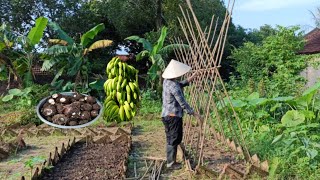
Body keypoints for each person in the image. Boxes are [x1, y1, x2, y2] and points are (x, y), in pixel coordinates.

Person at [161, 59, 201, 170]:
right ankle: (171, 163)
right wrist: (194, 113)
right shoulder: (173, 86)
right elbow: (182, 102)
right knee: (174, 138)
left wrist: (192, 77)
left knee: (171, 137)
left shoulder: (167, 82)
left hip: (166, 115)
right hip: (173, 116)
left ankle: (170, 161)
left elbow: (180, 84)